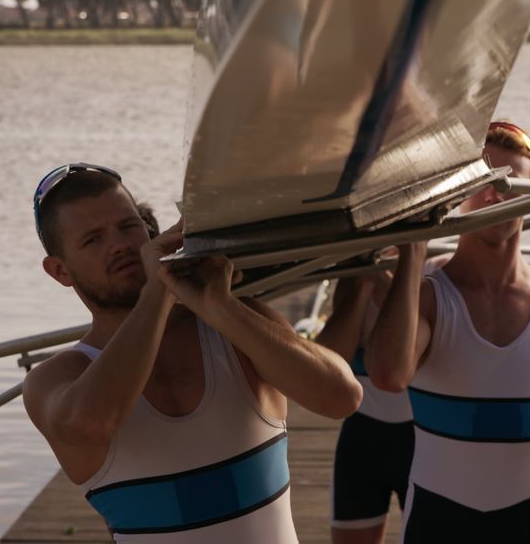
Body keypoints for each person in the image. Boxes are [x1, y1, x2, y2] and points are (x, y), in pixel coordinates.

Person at [21, 163, 363, 543]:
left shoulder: (231, 327)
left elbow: (342, 397)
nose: (119, 245)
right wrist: (158, 292)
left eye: (127, 226)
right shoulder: (56, 378)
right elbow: (90, 424)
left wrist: (222, 306)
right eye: (93, 240)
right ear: (60, 271)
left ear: (148, 229)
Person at [365, 123, 530, 543]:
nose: (497, 195)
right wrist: (413, 249)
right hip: (439, 526)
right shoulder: (429, 299)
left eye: (511, 183)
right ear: (457, 192)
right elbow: (388, 374)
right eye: (484, 181)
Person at [318, 255, 447, 544]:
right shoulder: (352, 277)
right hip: (363, 439)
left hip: (422, 440)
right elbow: (329, 362)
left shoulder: (434, 274)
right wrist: (363, 282)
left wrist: (387, 276)